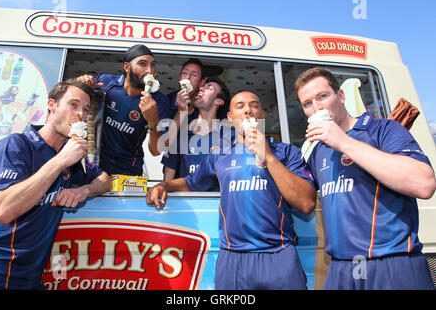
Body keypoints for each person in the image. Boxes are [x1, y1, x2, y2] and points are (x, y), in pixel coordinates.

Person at [147, 91, 316, 289]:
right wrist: (165, 184)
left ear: (262, 114)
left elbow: (306, 203)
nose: (247, 110)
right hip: (233, 258)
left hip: (279, 254)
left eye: (254, 105)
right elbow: (191, 182)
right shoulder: (220, 156)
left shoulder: (286, 152)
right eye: (240, 106)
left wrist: (268, 156)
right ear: (229, 118)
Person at [295, 67, 436, 290]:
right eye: (307, 103)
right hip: (341, 268)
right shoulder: (317, 151)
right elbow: (302, 196)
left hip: (391, 263)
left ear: (340, 96)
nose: (317, 107)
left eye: (323, 96)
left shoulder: (383, 130)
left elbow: (424, 183)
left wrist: (343, 142)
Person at [0, 79, 111, 290]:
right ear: (51, 105)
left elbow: (106, 180)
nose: (80, 114)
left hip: (32, 278)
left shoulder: (73, 159)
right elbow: (4, 210)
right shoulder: (16, 145)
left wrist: (84, 190)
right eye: (73, 104)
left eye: (86, 109)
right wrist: (60, 160)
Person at [77, 44, 170, 176]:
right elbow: (76, 103)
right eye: (142, 64)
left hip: (127, 170)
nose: (149, 71)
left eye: (153, 65)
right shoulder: (107, 83)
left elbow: (155, 151)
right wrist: (81, 84)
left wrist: (153, 121)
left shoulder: (159, 101)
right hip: (93, 163)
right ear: (127, 67)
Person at [162, 77, 230, 186]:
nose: (201, 89)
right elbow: (167, 182)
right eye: (201, 87)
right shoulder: (180, 135)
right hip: (187, 201)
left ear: (219, 101)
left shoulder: (228, 138)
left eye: (209, 88)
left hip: (215, 201)